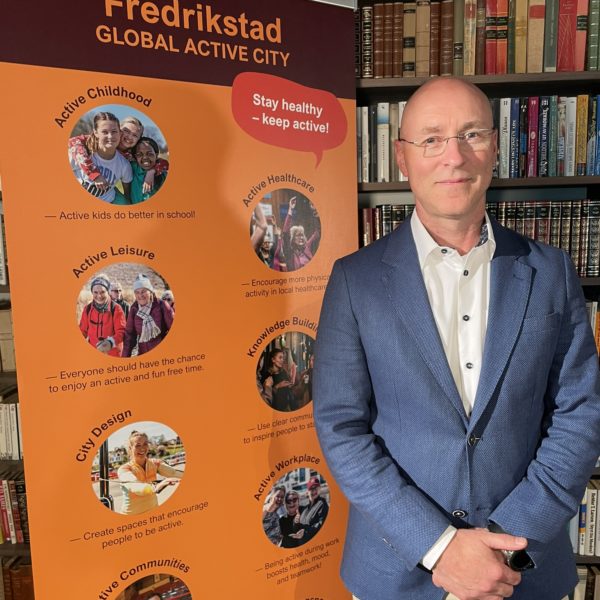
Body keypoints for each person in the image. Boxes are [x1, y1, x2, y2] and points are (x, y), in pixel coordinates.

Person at [313, 77, 600, 600]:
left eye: (471, 134)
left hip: (524, 568)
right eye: (431, 139)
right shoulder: (355, 281)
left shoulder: (551, 271)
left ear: (495, 148)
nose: (454, 156)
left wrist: (503, 543)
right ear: (402, 157)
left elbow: (579, 413)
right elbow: (341, 428)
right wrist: (440, 546)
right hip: (397, 573)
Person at [69, 115, 168, 197]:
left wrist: (151, 171)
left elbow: (163, 163)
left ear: (138, 140)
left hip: (108, 190)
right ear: (118, 130)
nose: (129, 137)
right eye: (126, 131)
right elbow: (73, 142)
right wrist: (94, 174)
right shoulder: (98, 140)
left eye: (135, 135)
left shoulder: (132, 154)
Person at [69, 112, 133, 203]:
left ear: (120, 133)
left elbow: (127, 193)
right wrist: (95, 175)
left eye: (114, 131)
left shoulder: (124, 164)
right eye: (104, 132)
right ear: (96, 132)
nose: (110, 136)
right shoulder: (79, 153)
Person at [117, 430, 183, 515]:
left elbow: (173, 473)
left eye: (145, 444)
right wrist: (155, 487)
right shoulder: (124, 469)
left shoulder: (155, 463)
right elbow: (135, 486)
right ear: (130, 448)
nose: (142, 448)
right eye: (138, 445)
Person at [122, 274, 174, 357]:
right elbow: (129, 337)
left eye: (143, 291)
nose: (140, 295)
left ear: (150, 291)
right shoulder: (134, 309)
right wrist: (124, 358)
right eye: (137, 292)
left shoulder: (162, 305)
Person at [79, 274, 126, 357]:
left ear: (108, 292)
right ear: (92, 292)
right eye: (95, 292)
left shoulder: (116, 308)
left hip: (113, 354)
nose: (99, 296)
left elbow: (122, 332)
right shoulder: (87, 309)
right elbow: (82, 331)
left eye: (102, 292)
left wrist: (110, 342)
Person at [274, 197, 320, 271]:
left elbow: (317, 232)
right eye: (298, 235)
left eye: (302, 235)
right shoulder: (289, 251)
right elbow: (285, 233)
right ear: (292, 238)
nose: (301, 238)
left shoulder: (307, 246)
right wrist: (290, 210)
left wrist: (316, 214)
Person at [297, 476, 329, 544]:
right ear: (308, 491)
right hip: (301, 543)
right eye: (311, 488)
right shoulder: (304, 506)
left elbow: (321, 525)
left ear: (319, 489)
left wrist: (305, 532)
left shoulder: (322, 504)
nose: (314, 491)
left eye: (316, 488)